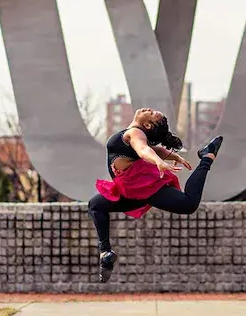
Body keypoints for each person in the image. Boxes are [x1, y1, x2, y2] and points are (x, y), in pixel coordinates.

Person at [88, 108, 223, 283]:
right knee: (96, 205)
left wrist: (159, 162)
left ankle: (207, 157)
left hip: (143, 187)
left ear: (147, 124)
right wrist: (173, 156)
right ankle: (105, 253)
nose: (149, 109)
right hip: (129, 191)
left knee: (189, 204)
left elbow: (144, 149)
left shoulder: (135, 133)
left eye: (152, 113)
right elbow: (153, 148)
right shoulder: (136, 133)